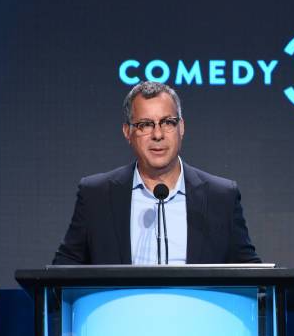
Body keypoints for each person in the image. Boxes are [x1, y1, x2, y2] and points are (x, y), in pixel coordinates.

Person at [53, 81, 260, 265]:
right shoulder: (96, 195)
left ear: (181, 128)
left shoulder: (220, 197)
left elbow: (251, 274)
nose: (158, 135)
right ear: (128, 132)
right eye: (145, 125)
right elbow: (63, 271)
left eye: (168, 122)